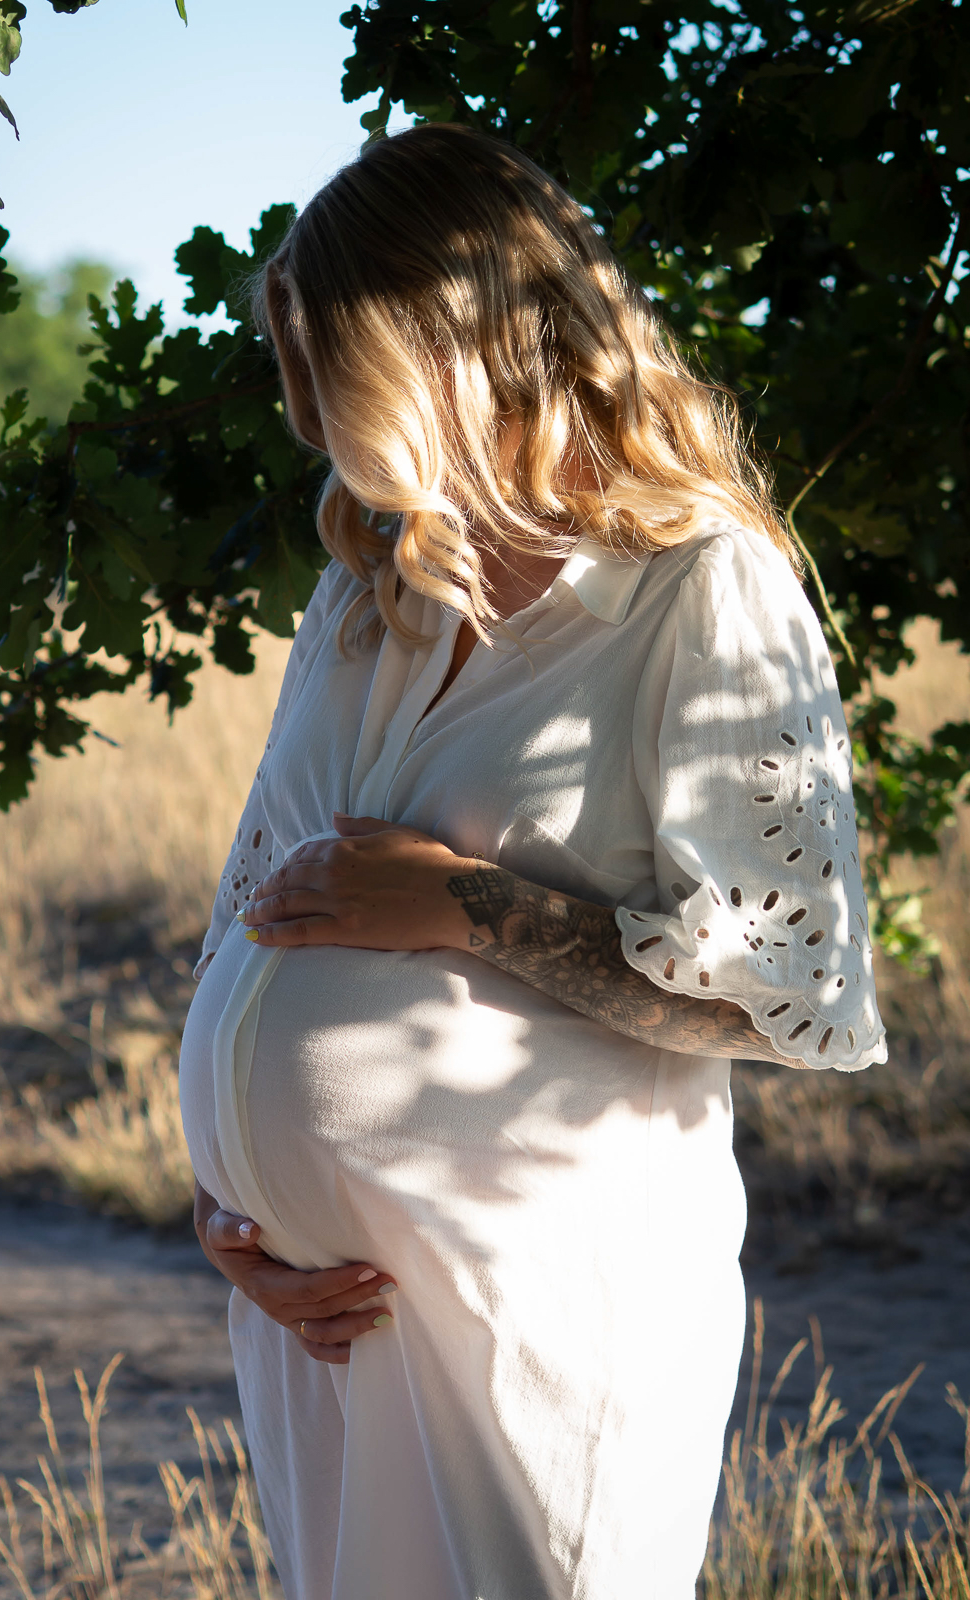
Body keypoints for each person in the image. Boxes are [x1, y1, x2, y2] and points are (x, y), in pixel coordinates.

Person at [177, 123, 886, 1600]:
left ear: (469, 342)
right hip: (319, 1320)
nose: (313, 425)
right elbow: (261, 913)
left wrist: (462, 905)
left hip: (537, 1312)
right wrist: (233, 1216)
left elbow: (777, 996)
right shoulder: (370, 587)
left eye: (341, 372)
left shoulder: (698, 587)